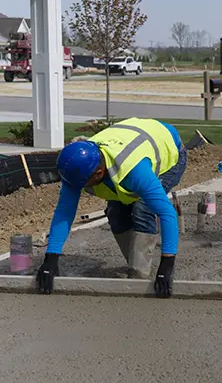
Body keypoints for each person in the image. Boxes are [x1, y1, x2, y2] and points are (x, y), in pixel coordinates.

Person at [37, 118, 187, 298]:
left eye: (83, 184)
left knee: (143, 208)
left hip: (169, 149)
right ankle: (136, 264)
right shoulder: (81, 167)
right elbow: (64, 212)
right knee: (116, 212)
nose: (78, 188)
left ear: (99, 174)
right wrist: (51, 258)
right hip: (131, 139)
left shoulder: (135, 171)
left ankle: (139, 275)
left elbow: (166, 213)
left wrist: (166, 266)